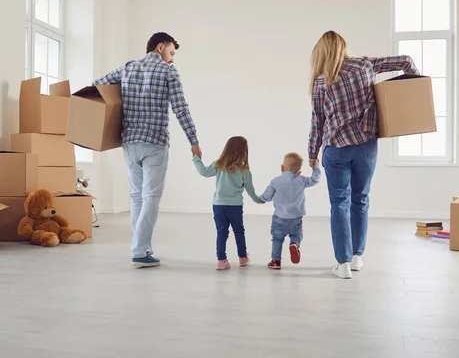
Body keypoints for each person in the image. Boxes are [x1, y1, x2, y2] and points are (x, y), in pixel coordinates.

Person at [307, 30, 419, 279]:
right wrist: (412, 89)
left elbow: (318, 122)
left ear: (322, 52)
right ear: (344, 48)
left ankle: (343, 264)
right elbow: (406, 60)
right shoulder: (365, 65)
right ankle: (357, 257)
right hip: (366, 146)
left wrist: (312, 153)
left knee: (339, 204)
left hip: (336, 149)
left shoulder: (319, 82)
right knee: (361, 200)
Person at [93, 32, 202, 268]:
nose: (172, 59)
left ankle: (143, 247)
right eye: (171, 52)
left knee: (136, 198)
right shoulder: (168, 72)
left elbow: (97, 85)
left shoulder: (127, 69)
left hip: (130, 142)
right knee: (151, 198)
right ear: (160, 47)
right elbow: (180, 108)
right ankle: (140, 251)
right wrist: (193, 141)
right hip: (155, 143)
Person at [193, 136, 262, 270]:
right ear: (243, 151)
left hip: (218, 204)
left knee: (221, 232)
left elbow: (203, 172)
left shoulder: (218, 164)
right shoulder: (244, 169)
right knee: (239, 231)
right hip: (235, 206)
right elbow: (250, 189)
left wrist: (196, 157)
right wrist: (258, 200)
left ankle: (221, 260)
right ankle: (242, 257)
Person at [258, 152, 321, 270]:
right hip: (296, 218)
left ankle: (276, 261)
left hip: (279, 218)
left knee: (277, 238)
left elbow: (267, 196)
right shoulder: (301, 180)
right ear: (299, 172)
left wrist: (259, 199)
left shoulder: (276, 181)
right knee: (296, 235)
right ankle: (294, 244)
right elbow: (315, 179)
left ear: (282, 168)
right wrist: (316, 166)